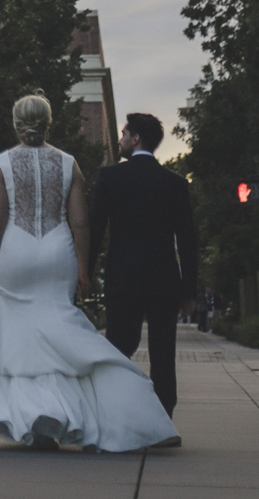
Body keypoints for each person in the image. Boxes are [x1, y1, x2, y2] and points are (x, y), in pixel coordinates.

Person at [0, 94, 178, 452]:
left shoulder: (0, 163)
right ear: (49, 123)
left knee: (23, 333)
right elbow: (80, 223)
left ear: (17, 123)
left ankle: (37, 419)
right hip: (56, 250)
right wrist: (82, 268)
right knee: (58, 325)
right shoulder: (68, 163)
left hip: (17, 251)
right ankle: (101, 412)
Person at [87, 111, 201, 416]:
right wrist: (189, 290)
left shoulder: (110, 178)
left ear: (136, 138)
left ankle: (115, 413)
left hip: (122, 278)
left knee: (118, 348)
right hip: (164, 280)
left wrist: (83, 272)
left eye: (124, 133)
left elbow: (94, 230)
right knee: (163, 353)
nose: (121, 138)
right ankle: (163, 417)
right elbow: (188, 241)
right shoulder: (175, 184)